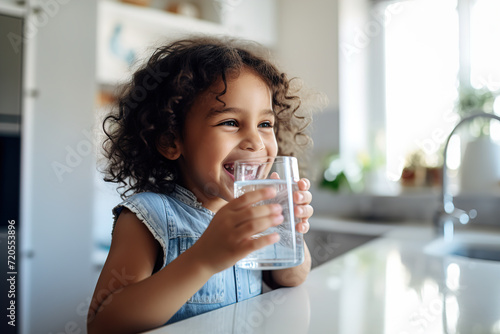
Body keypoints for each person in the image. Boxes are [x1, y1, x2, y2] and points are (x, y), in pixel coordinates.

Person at [87, 35, 317, 334]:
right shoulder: (148, 215)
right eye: (230, 122)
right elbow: (104, 325)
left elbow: (291, 278)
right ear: (171, 140)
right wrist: (204, 259)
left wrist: (287, 230)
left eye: (265, 124)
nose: (254, 141)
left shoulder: (253, 213)